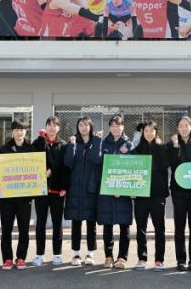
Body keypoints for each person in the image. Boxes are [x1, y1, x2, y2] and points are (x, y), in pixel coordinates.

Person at [91, 115, 133, 269]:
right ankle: (108, 256)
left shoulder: (129, 145)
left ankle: (122, 257)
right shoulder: (103, 143)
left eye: (118, 125)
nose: (115, 128)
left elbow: (134, 168)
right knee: (107, 225)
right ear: (109, 127)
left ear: (123, 127)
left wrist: (128, 189)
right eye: (112, 126)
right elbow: (96, 160)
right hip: (107, 190)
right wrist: (97, 141)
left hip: (124, 191)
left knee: (124, 225)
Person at [167, 116, 191, 271]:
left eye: (186, 125)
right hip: (178, 191)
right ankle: (181, 259)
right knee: (179, 226)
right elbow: (172, 164)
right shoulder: (171, 144)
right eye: (180, 126)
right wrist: (175, 147)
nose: (183, 128)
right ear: (177, 128)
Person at [0, 120, 34, 270]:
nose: (19, 132)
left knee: (24, 229)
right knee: (6, 229)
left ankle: (21, 258)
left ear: (26, 131)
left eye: (22, 129)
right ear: (12, 132)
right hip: (7, 198)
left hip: (25, 198)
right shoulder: (3, 149)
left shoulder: (31, 149)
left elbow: (38, 167)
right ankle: (7, 258)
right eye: (16, 130)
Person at [31, 116, 69, 267]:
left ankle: (57, 254)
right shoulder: (37, 143)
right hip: (41, 190)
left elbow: (65, 168)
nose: (52, 128)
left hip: (57, 191)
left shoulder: (63, 145)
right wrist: (42, 139)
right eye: (49, 125)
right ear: (45, 127)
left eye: (55, 125)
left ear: (59, 128)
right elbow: (33, 161)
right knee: (40, 222)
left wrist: (64, 187)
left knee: (57, 222)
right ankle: (39, 254)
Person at [64, 117, 101, 266]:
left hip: (91, 189)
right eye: (80, 125)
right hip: (75, 189)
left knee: (91, 224)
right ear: (77, 127)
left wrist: (97, 141)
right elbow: (68, 162)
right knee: (76, 222)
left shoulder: (95, 142)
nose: (83, 127)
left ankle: (90, 253)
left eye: (86, 125)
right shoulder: (73, 142)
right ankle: (76, 254)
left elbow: (97, 159)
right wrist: (71, 146)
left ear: (91, 127)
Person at [133, 120, 169, 271]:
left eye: (151, 130)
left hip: (158, 195)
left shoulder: (163, 148)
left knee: (159, 228)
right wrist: (131, 190)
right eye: (146, 131)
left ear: (156, 132)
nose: (148, 133)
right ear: (142, 132)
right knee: (140, 228)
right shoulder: (137, 149)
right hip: (140, 195)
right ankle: (142, 258)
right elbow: (129, 169)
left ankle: (159, 260)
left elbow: (166, 165)